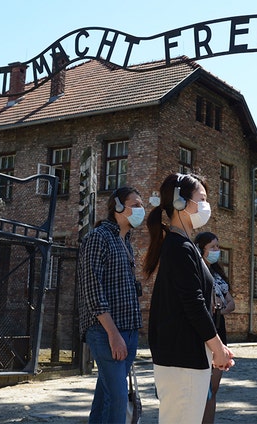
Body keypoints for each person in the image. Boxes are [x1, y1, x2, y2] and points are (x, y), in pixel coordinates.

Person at [142, 173, 235, 423]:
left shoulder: (184, 246)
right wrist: (218, 348)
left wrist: (216, 348)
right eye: (201, 199)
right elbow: (193, 304)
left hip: (187, 358)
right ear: (181, 203)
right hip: (182, 360)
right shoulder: (179, 248)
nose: (206, 206)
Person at [77, 186, 146, 424]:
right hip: (106, 331)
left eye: (141, 205)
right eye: (135, 204)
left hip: (128, 329)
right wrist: (113, 333)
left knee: (105, 395)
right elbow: (92, 288)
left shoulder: (125, 242)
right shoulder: (98, 237)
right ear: (117, 206)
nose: (141, 209)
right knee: (117, 397)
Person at [194, 231, 236, 424]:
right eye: (213, 247)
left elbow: (230, 303)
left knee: (213, 387)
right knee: (202, 388)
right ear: (202, 249)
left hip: (219, 328)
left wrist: (220, 310)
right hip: (203, 331)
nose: (217, 250)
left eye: (218, 246)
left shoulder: (218, 274)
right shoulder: (197, 271)